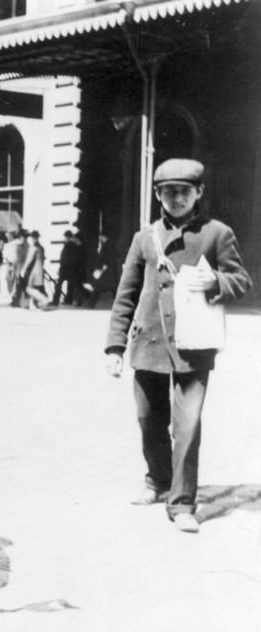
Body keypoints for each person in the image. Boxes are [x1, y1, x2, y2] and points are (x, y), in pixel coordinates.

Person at [105, 158, 251, 533]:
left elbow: (241, 280)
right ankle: (158, 479)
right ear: (157, 195)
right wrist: (114, 347)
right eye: (169, 192)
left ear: (198, 193)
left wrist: (215, 280)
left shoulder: (217, 233)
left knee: (187, 426)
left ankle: (183, 503)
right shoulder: (144, 238)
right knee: (148, 419)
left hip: (193, 346)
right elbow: (126, 295)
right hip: (149, 343)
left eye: (184, 192)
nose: (176, 199)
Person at [83, 232, 118, 308]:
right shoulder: (108, 245)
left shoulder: (107, 246)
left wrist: (102, 268)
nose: (99, 239)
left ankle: (90, 304)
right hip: (106, 271)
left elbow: (107, 258)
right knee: (111, 288)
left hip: (105, 271)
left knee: (98, 288)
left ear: (103, 237)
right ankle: (91, 304)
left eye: (100, 237)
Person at [52, 229, 85, 306]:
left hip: (65, 268)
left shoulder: (69, 245)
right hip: (72, 268)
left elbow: (65, 258)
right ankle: (69, 300)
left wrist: (61, 267)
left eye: (65, 237)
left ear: (67, 237)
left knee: (59, 284)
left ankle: (56, 300)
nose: (64, 238)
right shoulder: (74, 245)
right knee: (72, 285)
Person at [21, 230, 51, 309]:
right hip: (39, 271)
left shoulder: (33, 248)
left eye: (32, 237)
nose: (32, 239)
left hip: (33, 271)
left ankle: (43, 299)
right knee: (36, 288)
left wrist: (23, 270)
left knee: (28, 288)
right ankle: (35, 304)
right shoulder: (41, 247)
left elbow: (29, 260)